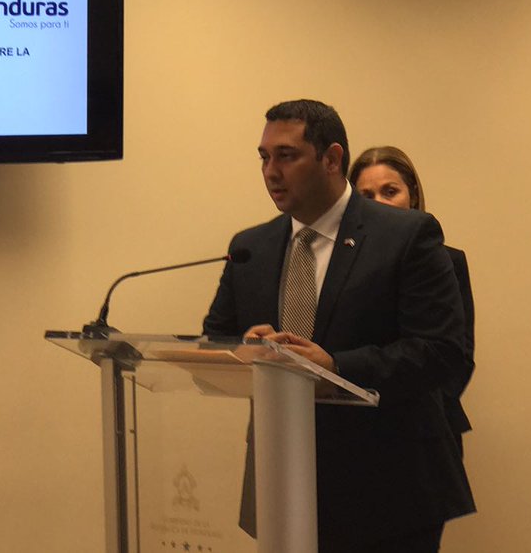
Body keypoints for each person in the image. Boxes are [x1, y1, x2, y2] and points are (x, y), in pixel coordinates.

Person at [203, 99, 475, 552]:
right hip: (281, 480)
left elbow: (441, 352)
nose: (270, 172)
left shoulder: (406, 235)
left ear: (331, 159)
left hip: (389, 490)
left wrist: (336, 367)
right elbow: (216, 339)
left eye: (286, 156)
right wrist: (243, 347)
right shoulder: (252, 246)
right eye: (264, 157)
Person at [349, 146, 476, 456]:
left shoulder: (447, 261)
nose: (379, 203)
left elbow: (458, 354)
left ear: (413, 196)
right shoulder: (341, 267)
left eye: (390, 191)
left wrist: (423, 406)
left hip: (427, 428)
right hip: (355, 424)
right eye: (366, 196)